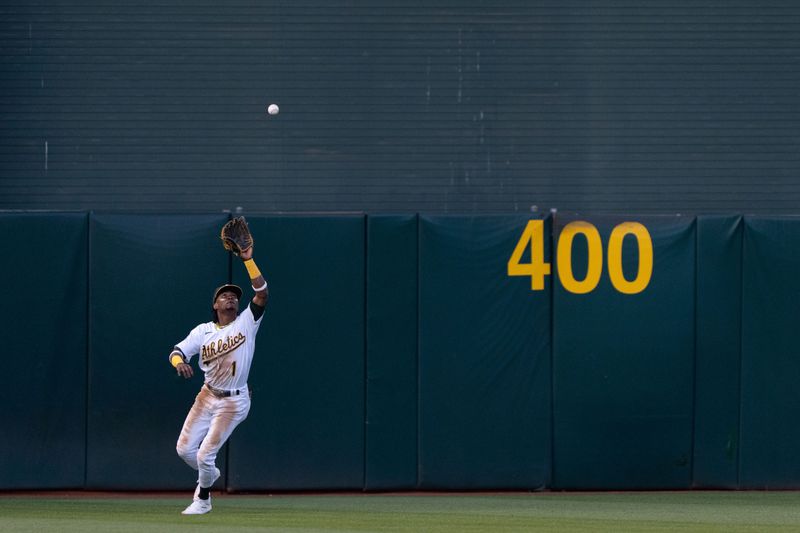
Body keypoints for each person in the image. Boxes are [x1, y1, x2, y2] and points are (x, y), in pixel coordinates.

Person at [168, 244, 268, 515]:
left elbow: (262, 294)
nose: (230, 299)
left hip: (234, 401)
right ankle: (209, 473)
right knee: (184, 450)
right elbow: (176, 352)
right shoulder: (203, 331)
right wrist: (180, 363)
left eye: (234, 296)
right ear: (215, 305)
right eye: (224, 296)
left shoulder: (247, 322)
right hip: (207, 394)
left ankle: (203, 498)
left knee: (203, 455)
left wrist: (248, 260)